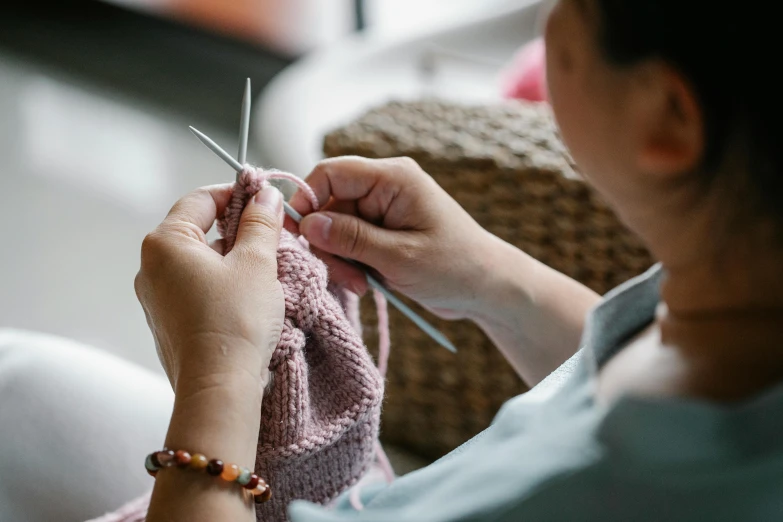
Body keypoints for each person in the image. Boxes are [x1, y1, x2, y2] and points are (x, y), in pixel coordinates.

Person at [2, 0, 783, 520]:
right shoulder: (738, 304)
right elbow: (622, 369)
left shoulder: (593, 495)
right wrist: (490, 278)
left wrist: (217, 374)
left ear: (667, 115)